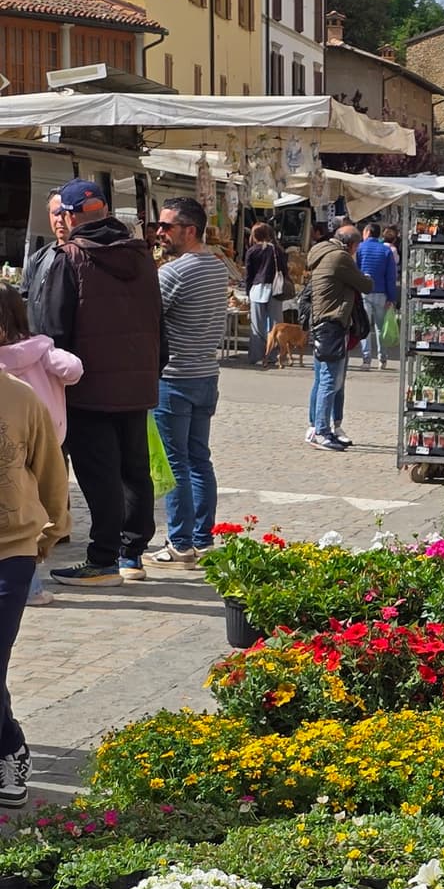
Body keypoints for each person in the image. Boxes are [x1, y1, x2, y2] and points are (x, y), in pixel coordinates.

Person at [32, 179, 162, 588]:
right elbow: (159, 320)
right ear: (105, 211)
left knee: (99, 472)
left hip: (86, 385)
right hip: (136, 383)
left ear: (70, 217)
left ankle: (103, 558)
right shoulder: (141, 256)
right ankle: (132, 553)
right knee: (133, 468)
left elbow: (54, 328)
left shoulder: (69, 256)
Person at [0, 367, 70, 805]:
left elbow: (50, 469)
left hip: (10, 549)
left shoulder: (21, 397)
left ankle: (7, 751)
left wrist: (51, 530)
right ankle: (8, 743)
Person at [152, 197, 228, 566]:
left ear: (190, 230)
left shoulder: (174, 273)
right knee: (199, 459)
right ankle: (204, 539)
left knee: (175, 463)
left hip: (175, 377)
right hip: (205, 375)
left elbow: (147, 315)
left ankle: (179, 543)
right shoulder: (217, 267)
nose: (159, 232)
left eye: (167, 226)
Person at [0, 287, 81, 607]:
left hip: (22, 436)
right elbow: (74, 369)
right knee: (27, 505)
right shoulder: (41, 348)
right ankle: (34, 586)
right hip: (50, 434)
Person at [305, 225, 371, 452]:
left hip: (319, 321)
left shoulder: (320, 251)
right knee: (330, 379)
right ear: (352, 245)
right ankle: (322, 432)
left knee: (321, 377)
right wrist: (363, 278)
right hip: (333, 323)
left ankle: (315, 427)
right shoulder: (340, 257)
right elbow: (366, 285)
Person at [19, 189, 68, 321]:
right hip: (41, 339)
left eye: (64, 213)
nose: (60, 219)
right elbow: (23, 301)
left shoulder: (86, 258)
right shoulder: (37, 259)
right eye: (55, 213)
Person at [355, 222, 396, 369]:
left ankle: (366, 360)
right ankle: (382, 359)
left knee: (364, 327)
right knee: (380, 327)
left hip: (364, 293)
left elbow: (355, 271)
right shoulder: (386, 251)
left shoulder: (359, 248)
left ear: (367, 232)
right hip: (382, 293)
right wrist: (391, 297)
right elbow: (391, 276)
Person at [244, 223, 286, 366]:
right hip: (276, 289)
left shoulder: (252, 251)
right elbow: (284, 271)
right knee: (276, 325)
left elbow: (249, 274)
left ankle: (256, 355)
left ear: (254, 235)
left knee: (257, 324)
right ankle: (273, 355)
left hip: (257, 289)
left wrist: (247, 291)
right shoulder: (278, 250)